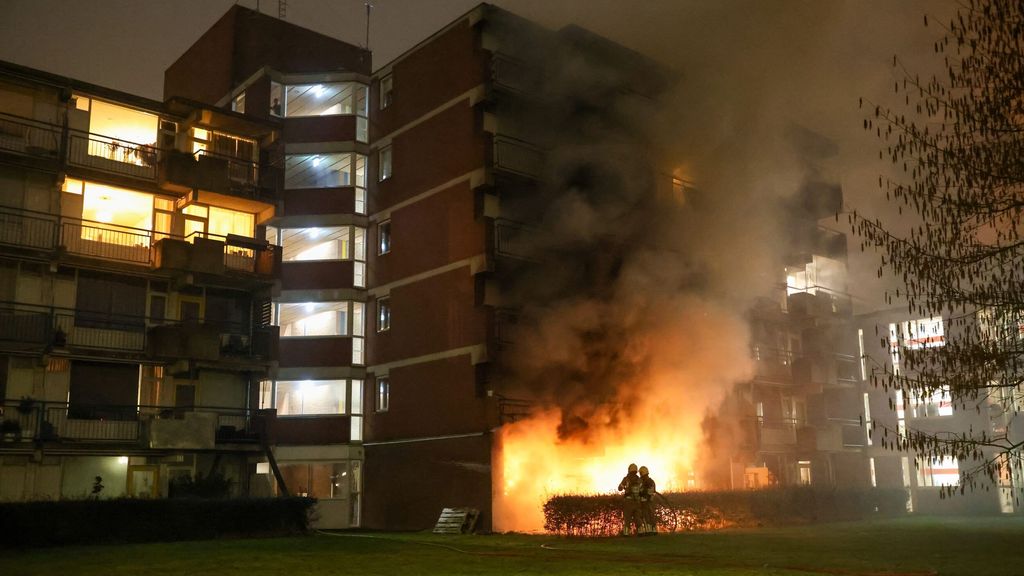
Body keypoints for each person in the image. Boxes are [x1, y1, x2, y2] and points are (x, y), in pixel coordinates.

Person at [616, 463, 642, 535]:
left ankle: (626, 533)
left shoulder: (626, 479)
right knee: (637, 517)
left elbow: (619, 488)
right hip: (637, 501)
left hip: (628, 501)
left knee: (627, 518)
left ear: (629, 470)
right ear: (636, 471)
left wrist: (623, 487)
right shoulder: (639, 479)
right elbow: (642, 490)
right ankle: (641, 532)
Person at [638, 465, 657, 536]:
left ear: (642, 473)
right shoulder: (651, 481)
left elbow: (646, 491)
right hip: (650, 501)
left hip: (645, 501)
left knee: (646, 515)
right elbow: (652, 491)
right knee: (651, 515)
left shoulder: (646, 482)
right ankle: (654, 530)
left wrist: (642, 494)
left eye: (640, 473)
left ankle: (649, 530)